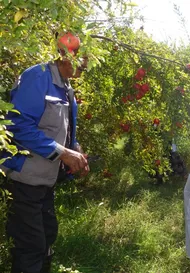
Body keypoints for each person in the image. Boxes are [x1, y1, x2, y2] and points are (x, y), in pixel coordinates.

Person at [0, 32, 89, 273]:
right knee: (32, 246)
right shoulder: (37, 77)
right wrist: (62, 153)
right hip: (24, 178)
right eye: (83, 59)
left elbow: (64, 129)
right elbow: (17, 126)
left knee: (48, 237)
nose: (86, 66)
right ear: (64, 54)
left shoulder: (65, 87)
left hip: (45, 181)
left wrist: (75, 149)